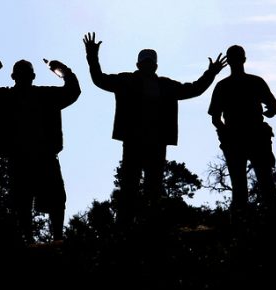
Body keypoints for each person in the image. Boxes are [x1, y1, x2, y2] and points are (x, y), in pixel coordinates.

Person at [83, 32, 227, 226]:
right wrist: (92, 56)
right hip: (134, 142)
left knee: (152, 191)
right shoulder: (126, 81)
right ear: (138, 65)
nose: (147, 66)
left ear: (155, 66)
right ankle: (124, 230)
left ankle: (151, 230)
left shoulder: (165, 86)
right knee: (129, 189)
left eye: (150, 63)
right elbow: (99, 79)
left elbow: (194, 89)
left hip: (156, 143)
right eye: (145, 63)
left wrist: (211, 73)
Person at [0, 59, 81, 244]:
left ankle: (50, 239)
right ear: (30, 76)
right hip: (28, 158)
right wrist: (59, 69)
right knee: (28, 201)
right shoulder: (35, 95)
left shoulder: (11, 97)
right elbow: (73, 89)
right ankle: (45, 239)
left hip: (37, 157)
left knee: (43, 199)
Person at [208, 45, 276, 225]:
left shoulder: (224, 86)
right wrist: (225, 134)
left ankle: (244, 225)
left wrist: (225, 133)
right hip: (248, 138)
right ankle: (271, 222)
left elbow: (215, 119)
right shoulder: (254, 82)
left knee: (245, 184)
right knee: (261, 182)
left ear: (230, 61)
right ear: (244, 59)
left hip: (246, 138)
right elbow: (273, 107)